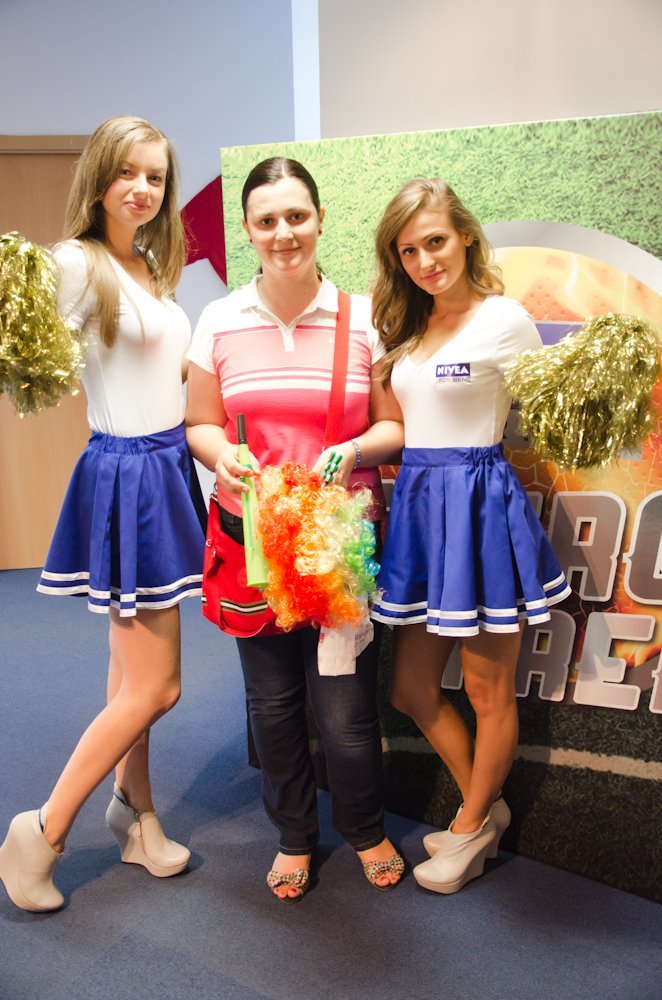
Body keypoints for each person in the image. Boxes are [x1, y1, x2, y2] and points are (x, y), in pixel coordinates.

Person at [186, 157, 405, 902]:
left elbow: (392, 426)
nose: (284, 233)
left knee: (345, 708)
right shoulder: (219, 320)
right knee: (273, 703)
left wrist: (356, 450)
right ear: (248, 230)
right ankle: (292, 836)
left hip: (336, 548)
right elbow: (199, 423)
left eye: (297, 216)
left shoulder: (362, 318)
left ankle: (365, 828)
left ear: (319, 219)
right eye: (267, 220)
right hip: (252, 544)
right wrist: (223, 454)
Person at [0, 116, 205, 913]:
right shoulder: (76, 263)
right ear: (98, 177)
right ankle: (39, 833)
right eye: (127, 172)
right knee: (158, 688)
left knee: (128, 674)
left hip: (165, 467)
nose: (142, 188)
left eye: (155, 175)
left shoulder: (147, 263)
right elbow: (25, 348)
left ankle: (135, 813)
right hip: (128, 476)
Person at [370, 178, 571, 894]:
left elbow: (551, 411)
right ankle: (484, 809)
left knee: (489, 690)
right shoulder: (405, 329)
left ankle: (469, 823)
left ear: (464, 237)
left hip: (481, 511)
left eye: (436, 242)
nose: (426, 260)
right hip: (420, 510)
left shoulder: (505, 319)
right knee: (410, 688)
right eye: (409, 251)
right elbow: (398, 427)